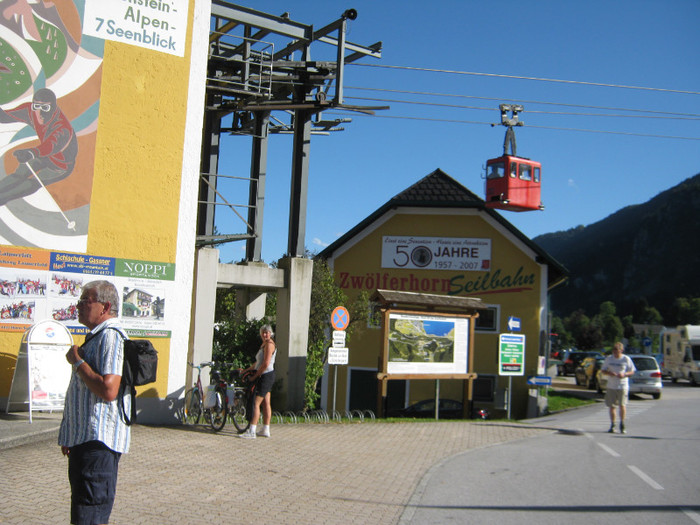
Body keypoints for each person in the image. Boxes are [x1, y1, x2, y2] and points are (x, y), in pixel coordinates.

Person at [58, 280, 130, 524]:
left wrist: (78, 362)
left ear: (105, 306)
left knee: (89, 514)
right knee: (83, 511)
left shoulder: (110, 337)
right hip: (86, 441)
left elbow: (109, 390)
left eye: (85, 300)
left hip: (98, 445)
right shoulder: (97, 336)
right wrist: (72, 435)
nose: (78, 305)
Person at [0, 87, 77, 206]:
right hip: (42, 156)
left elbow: (51, 146)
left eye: (45, 108)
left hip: (60, 165)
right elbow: (4, 117)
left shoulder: (62, 127)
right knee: (18, 175)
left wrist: (31, 153)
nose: (39, 113)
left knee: (33, 182)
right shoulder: (29, 110)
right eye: (36, 107)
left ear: (53, 107)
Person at [238, 324, 277, 439]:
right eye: (263, 332)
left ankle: (252, 431)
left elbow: (265, 364)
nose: (265, 334)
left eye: (267, 332)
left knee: (256, 402)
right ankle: (265, 429)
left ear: (271, 333)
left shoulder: (270, 345)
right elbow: (257, 363)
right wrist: (246, 370)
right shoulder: (264, 344)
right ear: (260, 333)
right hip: (266, 375)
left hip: (266, 376)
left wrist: (254, 376)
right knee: (265, 402)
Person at [601, 342, 636, 434]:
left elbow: (632, 371)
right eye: (614, 351)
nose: (615, 353)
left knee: (622, 405)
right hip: (611, 385)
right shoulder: (609, 359)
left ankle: (622, 423)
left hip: (622, 385)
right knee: (612, 406)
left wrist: (624, 374)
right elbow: (603, 370)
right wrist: (609, 373)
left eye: (617, 351)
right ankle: (613, 424)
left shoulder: (626, 359)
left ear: (621, 350)